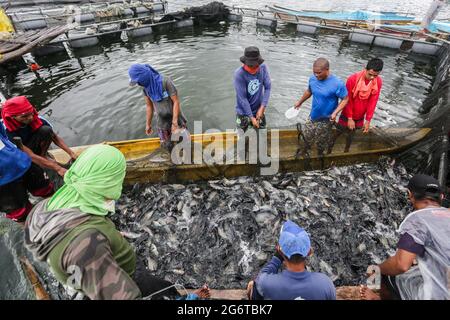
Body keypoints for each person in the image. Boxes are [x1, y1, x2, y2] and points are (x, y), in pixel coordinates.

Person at [24, 144, 209, 300]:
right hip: (126, 280)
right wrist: (95, 243)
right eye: (117, 177)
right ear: (106, 180)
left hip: (97, 274)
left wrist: (107, 238)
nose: (119, 183)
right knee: (163, 291)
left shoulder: (52, 204)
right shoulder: (85, 247)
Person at [361, 174, 450, 300]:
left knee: (381, 270)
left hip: (437, 296)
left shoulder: (417, 220)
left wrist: (378, 269)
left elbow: (401, 265)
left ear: (410, 194)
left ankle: (375, 296)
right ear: (441, 196)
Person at [247, 220, 336, 300]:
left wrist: (277, 258)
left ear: (280, 250)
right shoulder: (325, 284)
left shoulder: (265, 283)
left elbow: (259, 282)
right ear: (309, 252)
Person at [1, 96, 76, 177]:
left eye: (31, 113)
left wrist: (71, 153)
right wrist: (58, 168)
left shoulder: (37, 118)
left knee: (46, 130)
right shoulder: (6, 130)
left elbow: (55, 137)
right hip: (19, 153)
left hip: (31, 145)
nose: (30, 118)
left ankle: (43, 155)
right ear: (12, 117)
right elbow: (29, 154)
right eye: (24, 116)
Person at [294, 58, 348, 164]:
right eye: (314, 72)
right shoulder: (313, 79)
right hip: (313, 116)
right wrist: (300, 102)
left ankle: (319, 157)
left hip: (326, 120)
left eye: (319, 73)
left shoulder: (337, 83)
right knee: (306, 137)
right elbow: (309, 91)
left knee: (321, 142)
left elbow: (345, 99)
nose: (316, 75)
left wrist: (335, 112)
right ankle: (303, 153)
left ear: (327, 70)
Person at [327, 58, 384, 153]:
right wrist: (350, 118)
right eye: (370, 74)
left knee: (351, 135)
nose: (372, 78)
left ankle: (346, 151)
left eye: (375, 75)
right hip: (347, 113)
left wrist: (368, 120)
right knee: (338, 133)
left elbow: (373, 102)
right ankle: (329, 151)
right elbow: (347, 99)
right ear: (365, 69)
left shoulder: (378, 82)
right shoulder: (352, 79)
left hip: (360, 116)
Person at [0, 123, 54, 222]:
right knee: (21, 214)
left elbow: (3, 135)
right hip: (4, 183)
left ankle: (60, 213)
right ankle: (36, 230)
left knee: (46, 190)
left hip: (21, 162)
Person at [128, 64, 187, 152]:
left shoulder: (166, 82)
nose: (139, 84)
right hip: (162, 122)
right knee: (167, 145)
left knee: (182, 143)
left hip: (177, 119)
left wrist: (174, 123)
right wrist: (148, 124)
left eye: (138, 81)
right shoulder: (146, 88)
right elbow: (149, 106)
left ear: (144, 77)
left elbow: (176, 102)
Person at [234, 46, 271, 131]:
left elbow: (268, 88)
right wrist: (251, 117)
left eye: (256, 66)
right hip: (243, 112)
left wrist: (262, 108)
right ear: (244, 63)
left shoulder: (263, 68)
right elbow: (243, 98)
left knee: (262, 133)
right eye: (250, 67)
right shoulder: (239, 74)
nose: (253, 69)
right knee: (242, 138)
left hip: (259, 110)